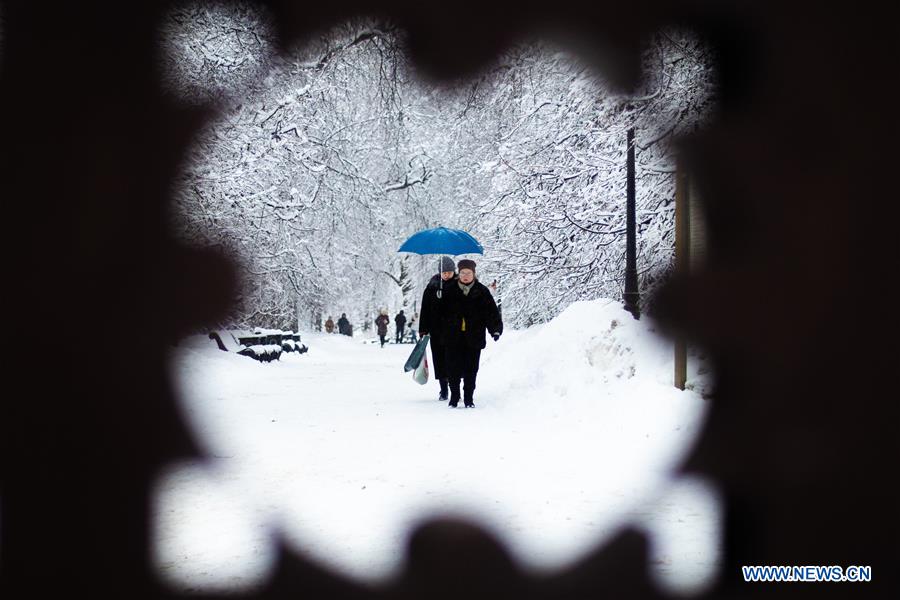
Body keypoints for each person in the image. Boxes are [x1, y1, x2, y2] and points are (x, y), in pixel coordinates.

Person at [441, 259, 502, 408]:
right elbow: (439, 314)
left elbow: (491, 312)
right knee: (452, 368)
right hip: (453, 336)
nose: (465, 276)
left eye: (468, 273)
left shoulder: (481, 291)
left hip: (473, 336)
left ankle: (469, 398)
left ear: (474, 274)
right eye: (462, 273)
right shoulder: (449, 290)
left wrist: (495, 329)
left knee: (471, 369)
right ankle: (454, 397)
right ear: (458, 274)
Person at [418, 256, 457, 401]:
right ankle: (443, 389)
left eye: (449, 272)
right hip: (437, 330)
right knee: (440, 360)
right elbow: (425, 309)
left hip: (455, 330)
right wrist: (423, 328)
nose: (447, 275)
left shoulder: (459, 284)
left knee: (454, 360)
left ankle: (455, 389)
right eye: (444, 272)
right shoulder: (432, 286)